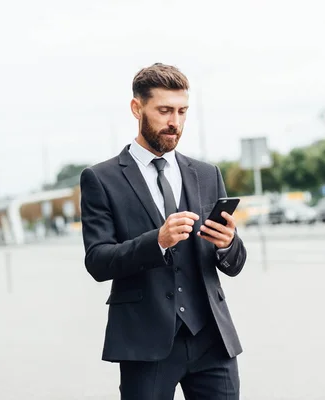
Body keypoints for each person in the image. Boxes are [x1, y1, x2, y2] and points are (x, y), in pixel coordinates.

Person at [79, 63, 247, 399]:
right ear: (136, 108)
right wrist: (157, 241)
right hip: (145, 344)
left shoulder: (206, 173)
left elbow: (235, 262)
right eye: (165, 110)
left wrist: (228, 244)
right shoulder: (101, 179)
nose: (175, 122)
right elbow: (97, 262)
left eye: (183, 111)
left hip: (212, 340)